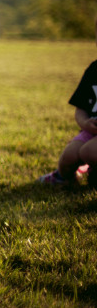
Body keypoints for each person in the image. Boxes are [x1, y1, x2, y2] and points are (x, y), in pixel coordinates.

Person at [38, 15, 97, 186]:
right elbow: (80, 108)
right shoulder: (93, 70)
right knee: (68, 157)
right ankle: (64, 178)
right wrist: (85, 123)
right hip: (91, 131)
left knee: (88, 151)